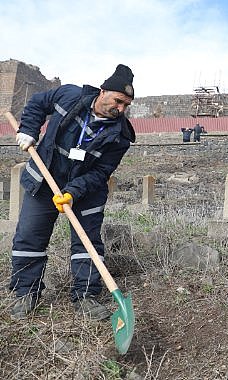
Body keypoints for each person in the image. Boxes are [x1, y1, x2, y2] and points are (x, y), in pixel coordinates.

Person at [10, 64, 136, 321]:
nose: (121, 109)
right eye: (118, 101)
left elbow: (101, 172)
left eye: (126, 105)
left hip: (86, 192)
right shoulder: (69, 96)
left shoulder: (121, 135)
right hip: (44, 182)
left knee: (87, 244)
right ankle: (26, 293)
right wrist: (28, 131)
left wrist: (72, 192)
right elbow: (36, 103)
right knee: (29, 238)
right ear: (103, 92)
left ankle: (85, 297)